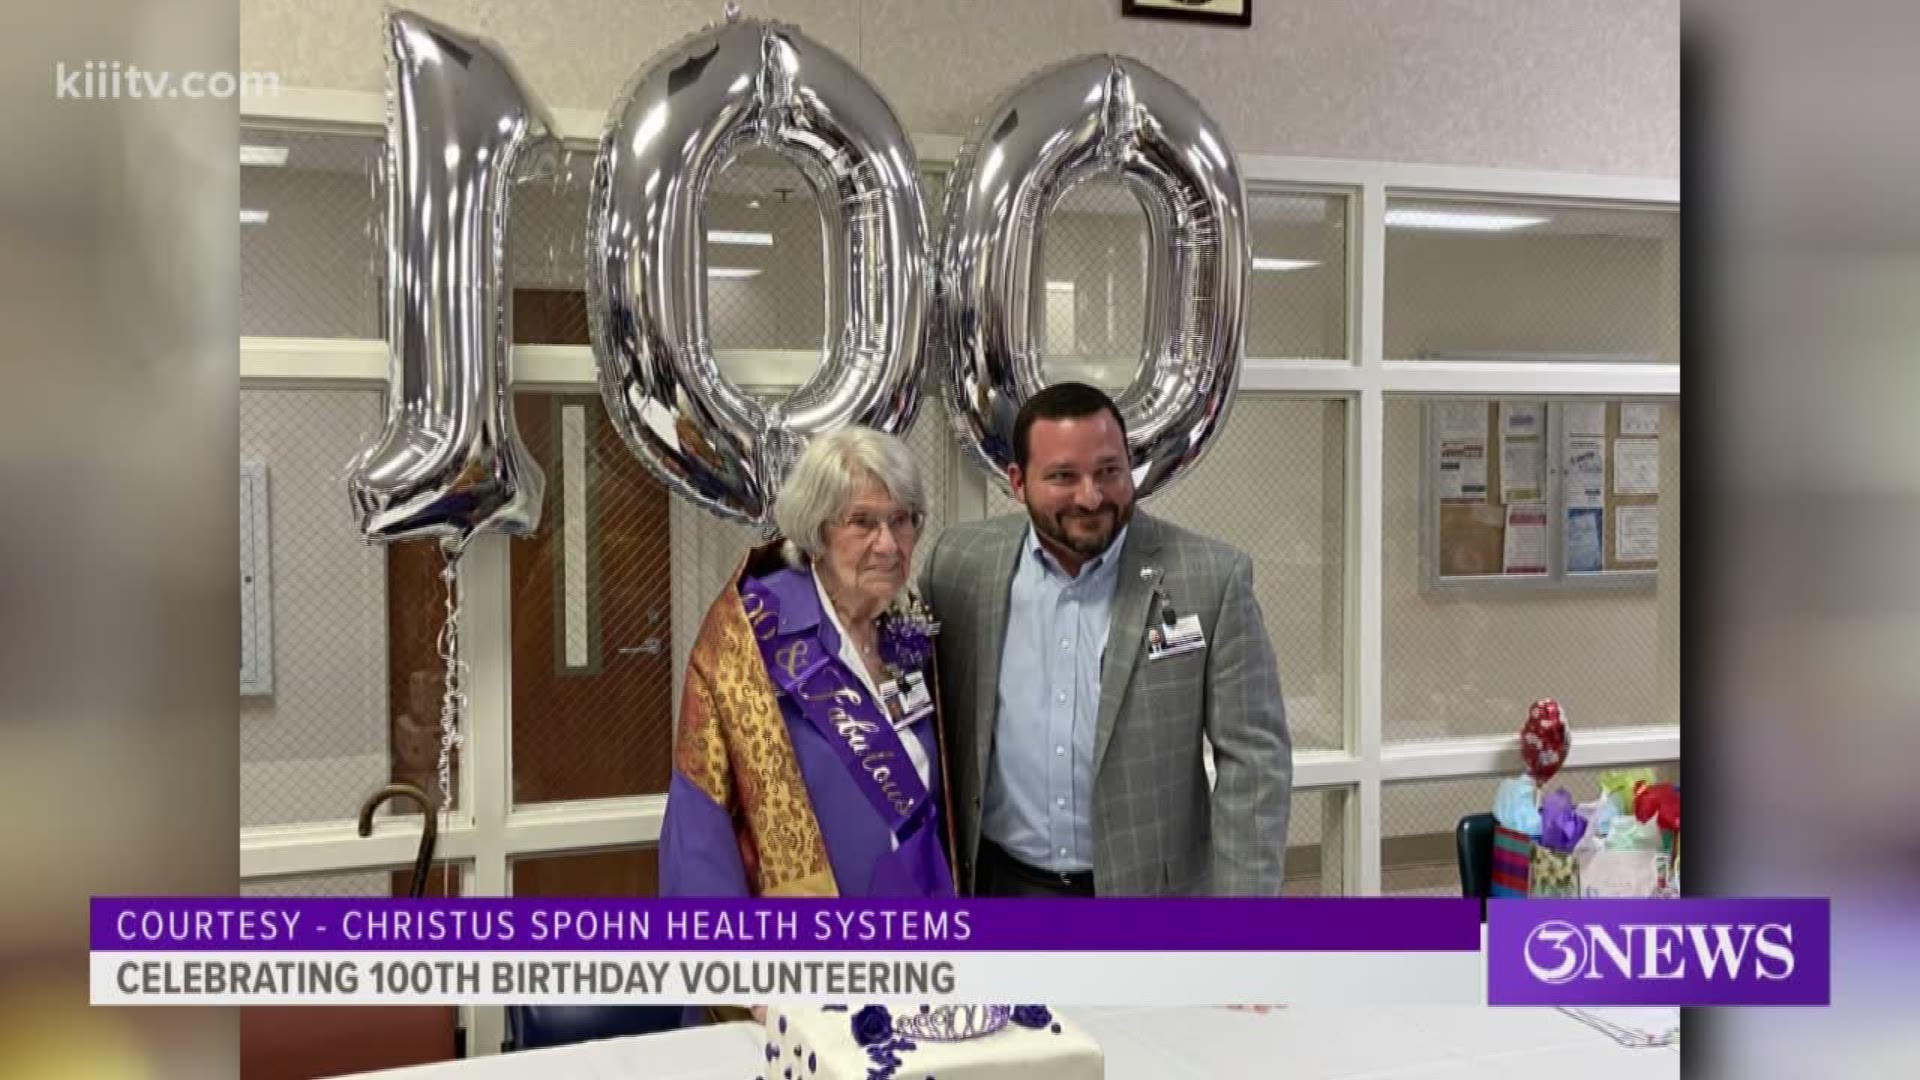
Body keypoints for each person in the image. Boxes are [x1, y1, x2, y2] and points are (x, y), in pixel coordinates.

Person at [918, 382, 1291, 897]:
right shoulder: (959, 567)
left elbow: (1255, 760)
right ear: (1018, 482)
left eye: (1109, 471)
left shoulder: (1211, 578)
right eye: (1063, 477)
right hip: (1000, 888)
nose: (1091, 496)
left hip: (1150, 898)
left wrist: (1242, 920)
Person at [660, 427, 954, 901]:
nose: (888, 544)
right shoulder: (748, 636)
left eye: (902, 520)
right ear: (817, 532)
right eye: (862, 522)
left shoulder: (911, 628)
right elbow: (701, 818)